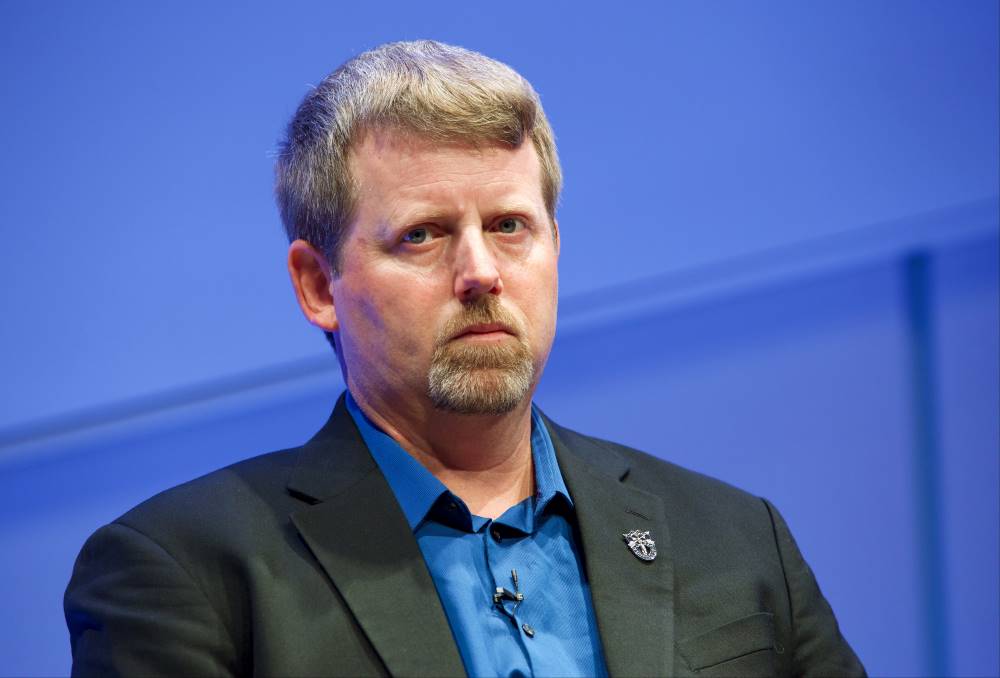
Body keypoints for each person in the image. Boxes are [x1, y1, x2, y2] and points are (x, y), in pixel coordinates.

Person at [64, 40, 865, 677]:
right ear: (318, 285)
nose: (481, 271)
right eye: (423, 234)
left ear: (556, 248)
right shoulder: (187, 573)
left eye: (511, 226)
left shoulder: (735, 536)